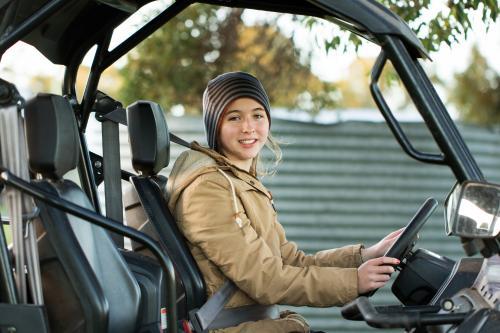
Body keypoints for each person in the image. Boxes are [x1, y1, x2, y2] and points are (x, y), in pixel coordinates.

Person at [167, 71, 402, 333]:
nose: (248, 127)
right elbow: (265, 279)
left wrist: (364, 256)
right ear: (215, 125)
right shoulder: (209, 188)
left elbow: (290, 261)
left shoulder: (238, 183)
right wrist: (354, 281)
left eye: (257, 115)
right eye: (234, 117)